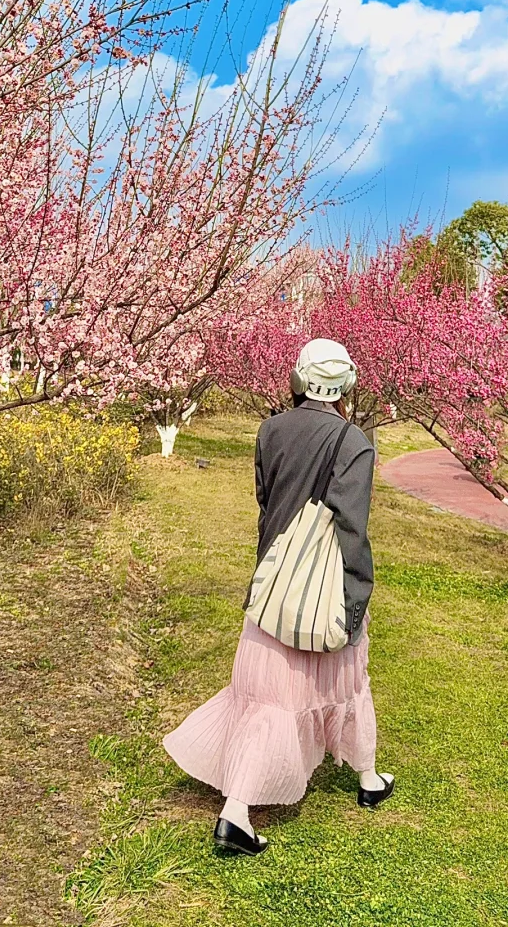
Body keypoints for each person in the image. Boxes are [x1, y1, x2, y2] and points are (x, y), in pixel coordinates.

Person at [162, 338, 394, 856]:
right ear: (345, 387)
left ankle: (237, 811)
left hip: (272, 584)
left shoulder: (270, 429)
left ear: (297, 379)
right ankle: (367, 777)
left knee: (267, 696)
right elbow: (351, 526)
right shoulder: (353, 441)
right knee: (345, 678)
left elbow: (268, 503)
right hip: (323, 586)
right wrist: (356, 594)